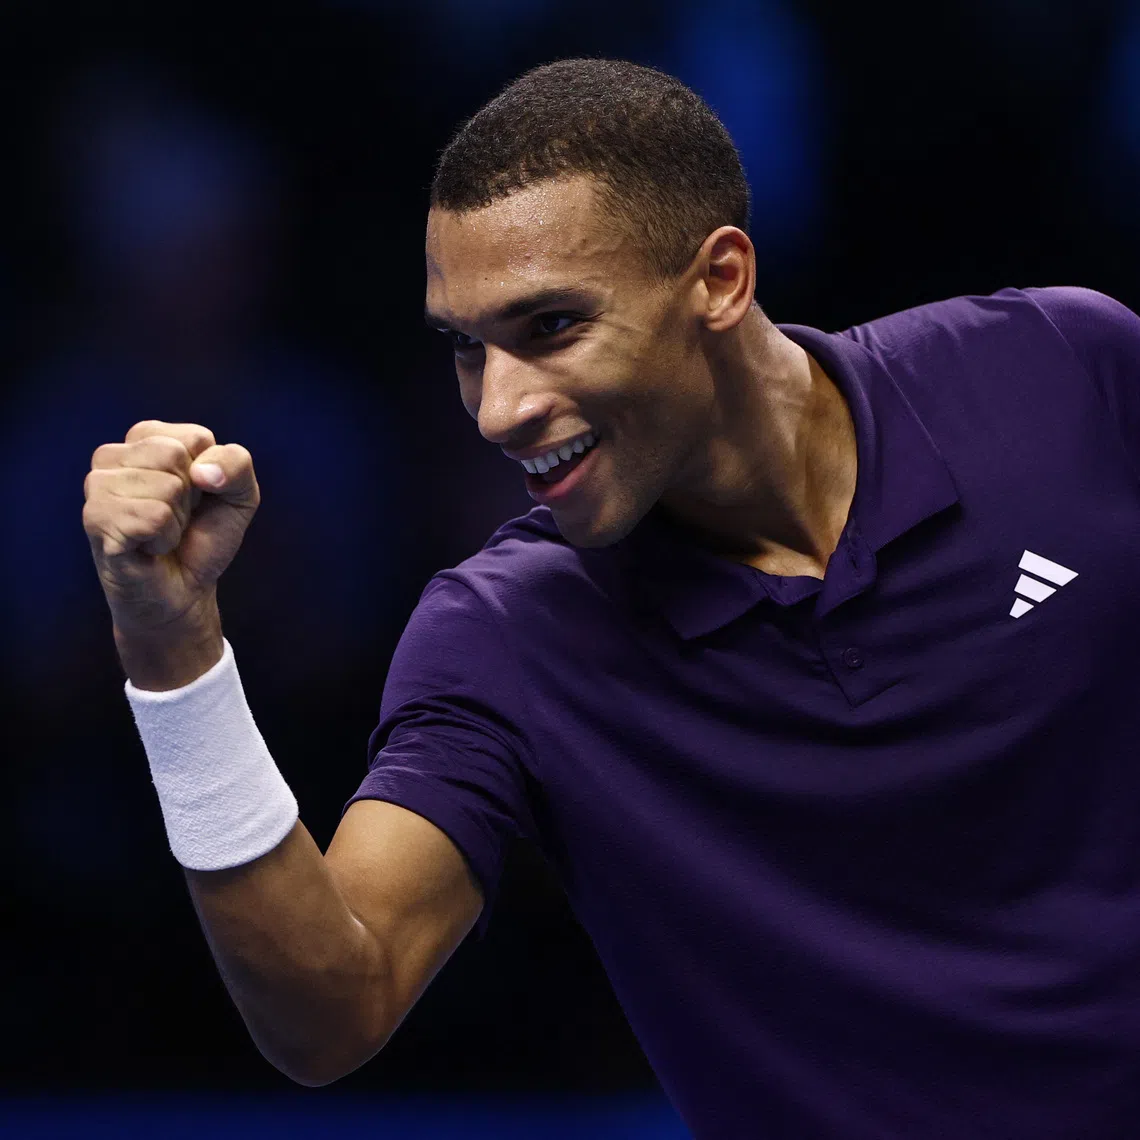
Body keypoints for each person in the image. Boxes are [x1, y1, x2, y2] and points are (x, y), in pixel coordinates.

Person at [82, 58, 1140, 1139]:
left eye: (550, 328)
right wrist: (170, 646)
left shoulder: (1061, 366)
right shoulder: (505, 636)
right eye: (464, 347)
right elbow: (328, 1012)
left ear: (720, 281)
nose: (497, 409)